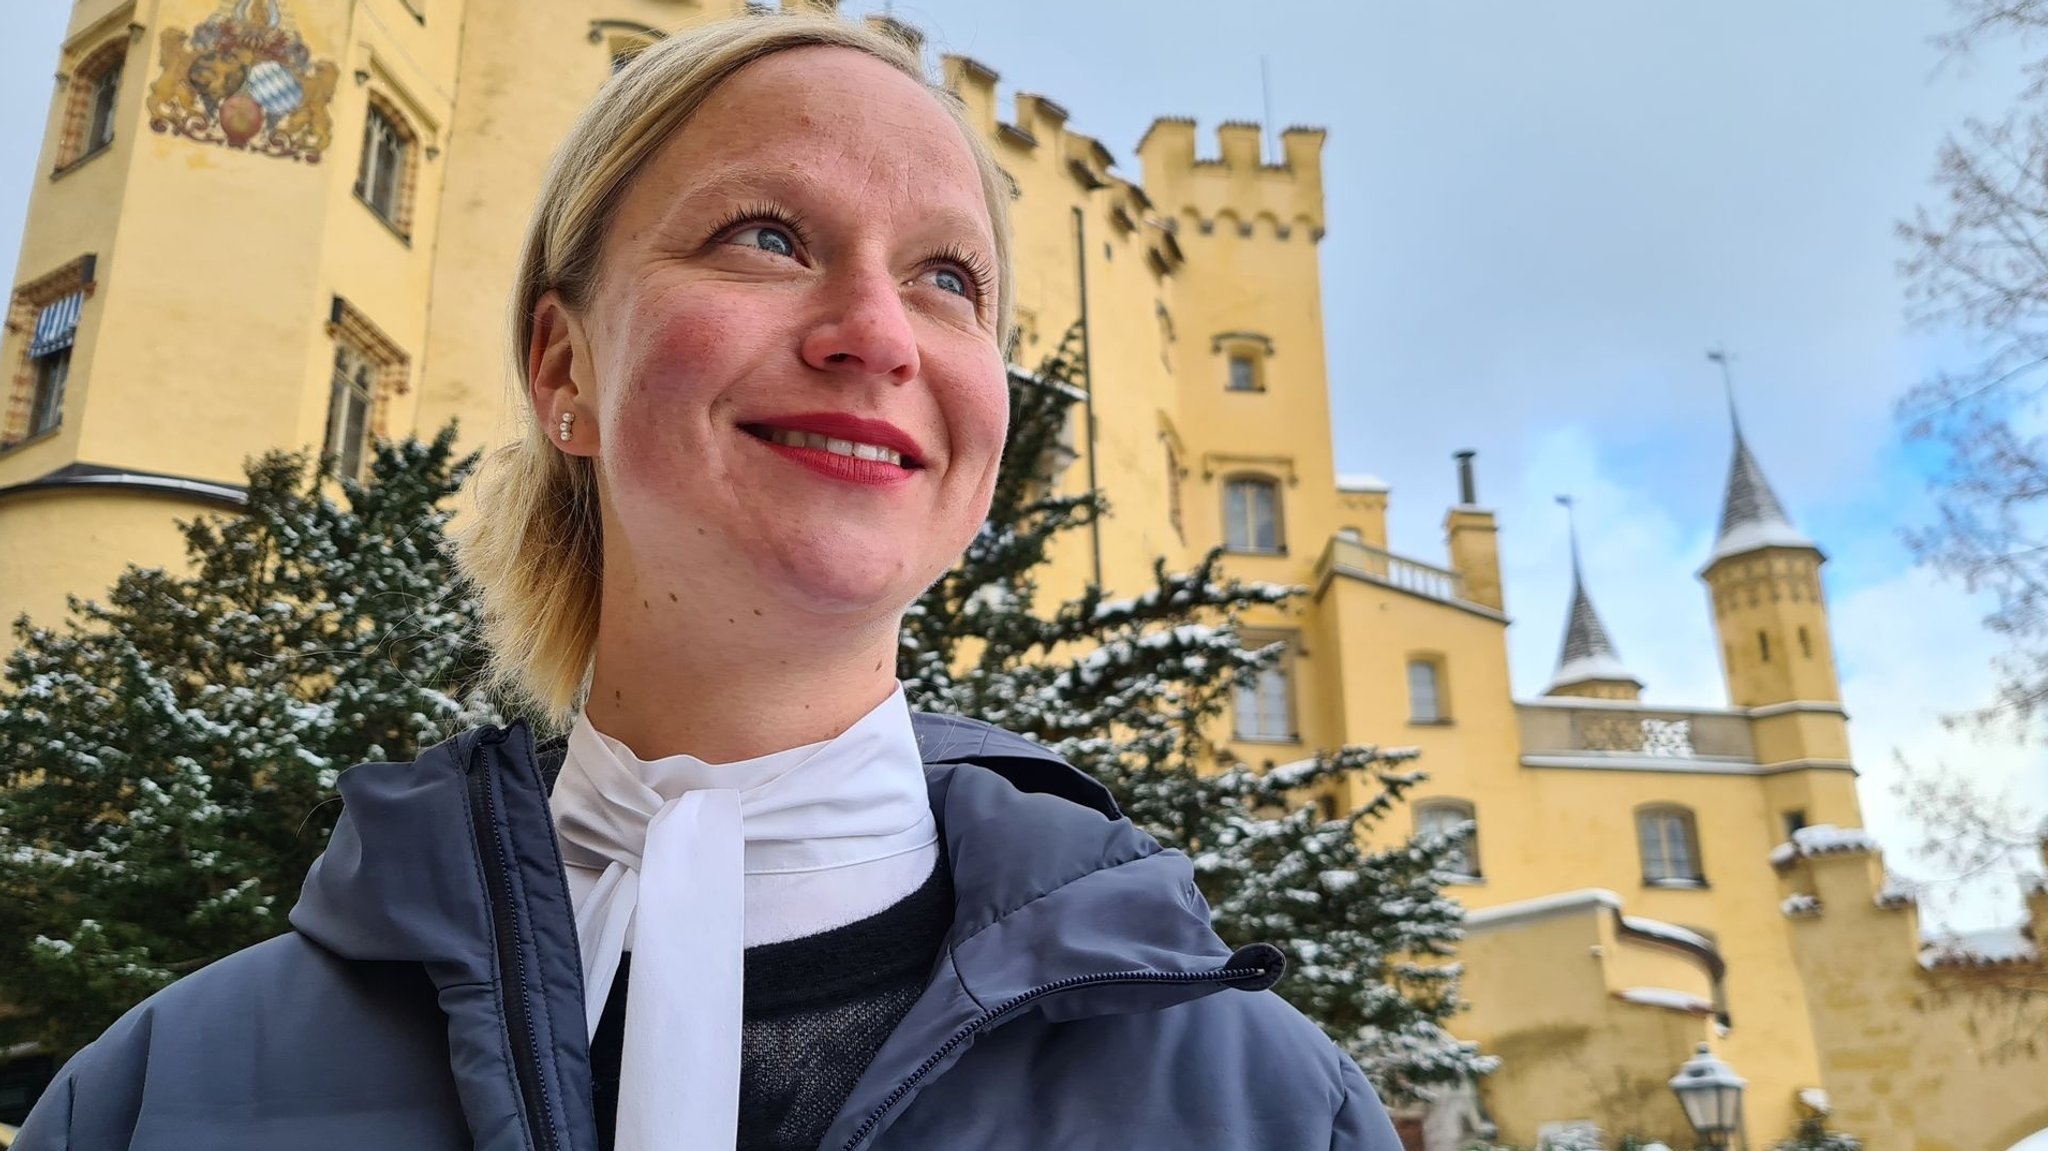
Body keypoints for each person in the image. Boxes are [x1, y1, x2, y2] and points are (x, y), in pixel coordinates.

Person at [17, 15, 1404, 1151]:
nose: (877, 332)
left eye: (946, 278)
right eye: (768, 237)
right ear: (564, 368)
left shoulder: (1264, 1108)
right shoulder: (164, 1098)